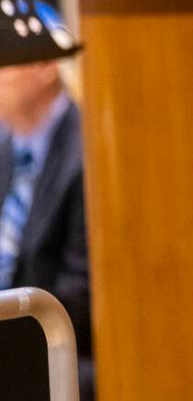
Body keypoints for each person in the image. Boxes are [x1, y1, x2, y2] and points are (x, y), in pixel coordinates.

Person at [0, 56, 94, 400]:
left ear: (45, 67)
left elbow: (81, 295)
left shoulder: (91, 153)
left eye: (3, 62)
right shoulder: (6, 150)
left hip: (57, 346)